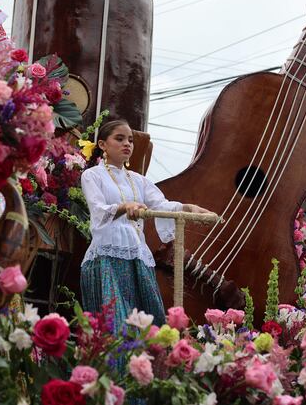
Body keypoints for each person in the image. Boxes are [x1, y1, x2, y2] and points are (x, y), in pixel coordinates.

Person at [79, 119, 211, 331]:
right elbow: (98, 211)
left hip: (137, 257)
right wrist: (124, 206)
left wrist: (188, 208)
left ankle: (146, 364)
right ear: (103, 145)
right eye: (119, 139)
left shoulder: (138, 180)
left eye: (130, 140)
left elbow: (162, 205)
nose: (127, 144)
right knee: (115, 325)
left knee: (148, 324)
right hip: (106, 258)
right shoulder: (92, 175)